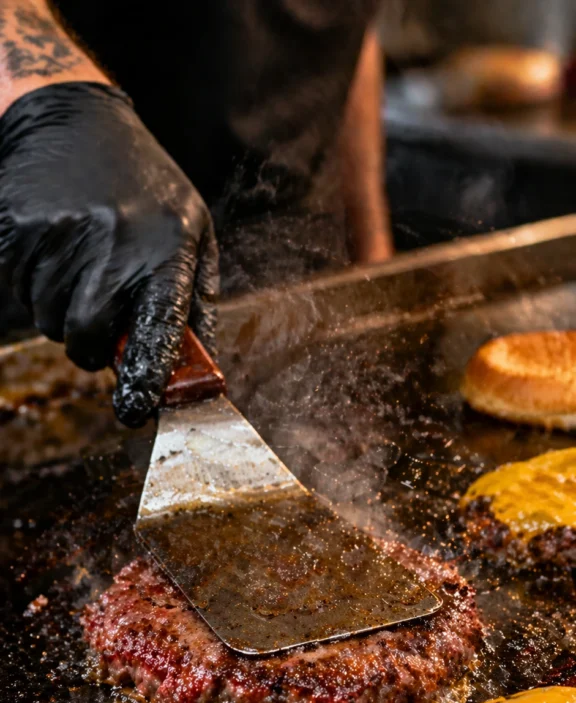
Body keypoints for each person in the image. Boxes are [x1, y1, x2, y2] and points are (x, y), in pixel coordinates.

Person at [0, 1, 392, 426]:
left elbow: (344, 41)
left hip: (294, 278)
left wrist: (372, 256)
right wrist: (48, 106)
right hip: (67, 246)